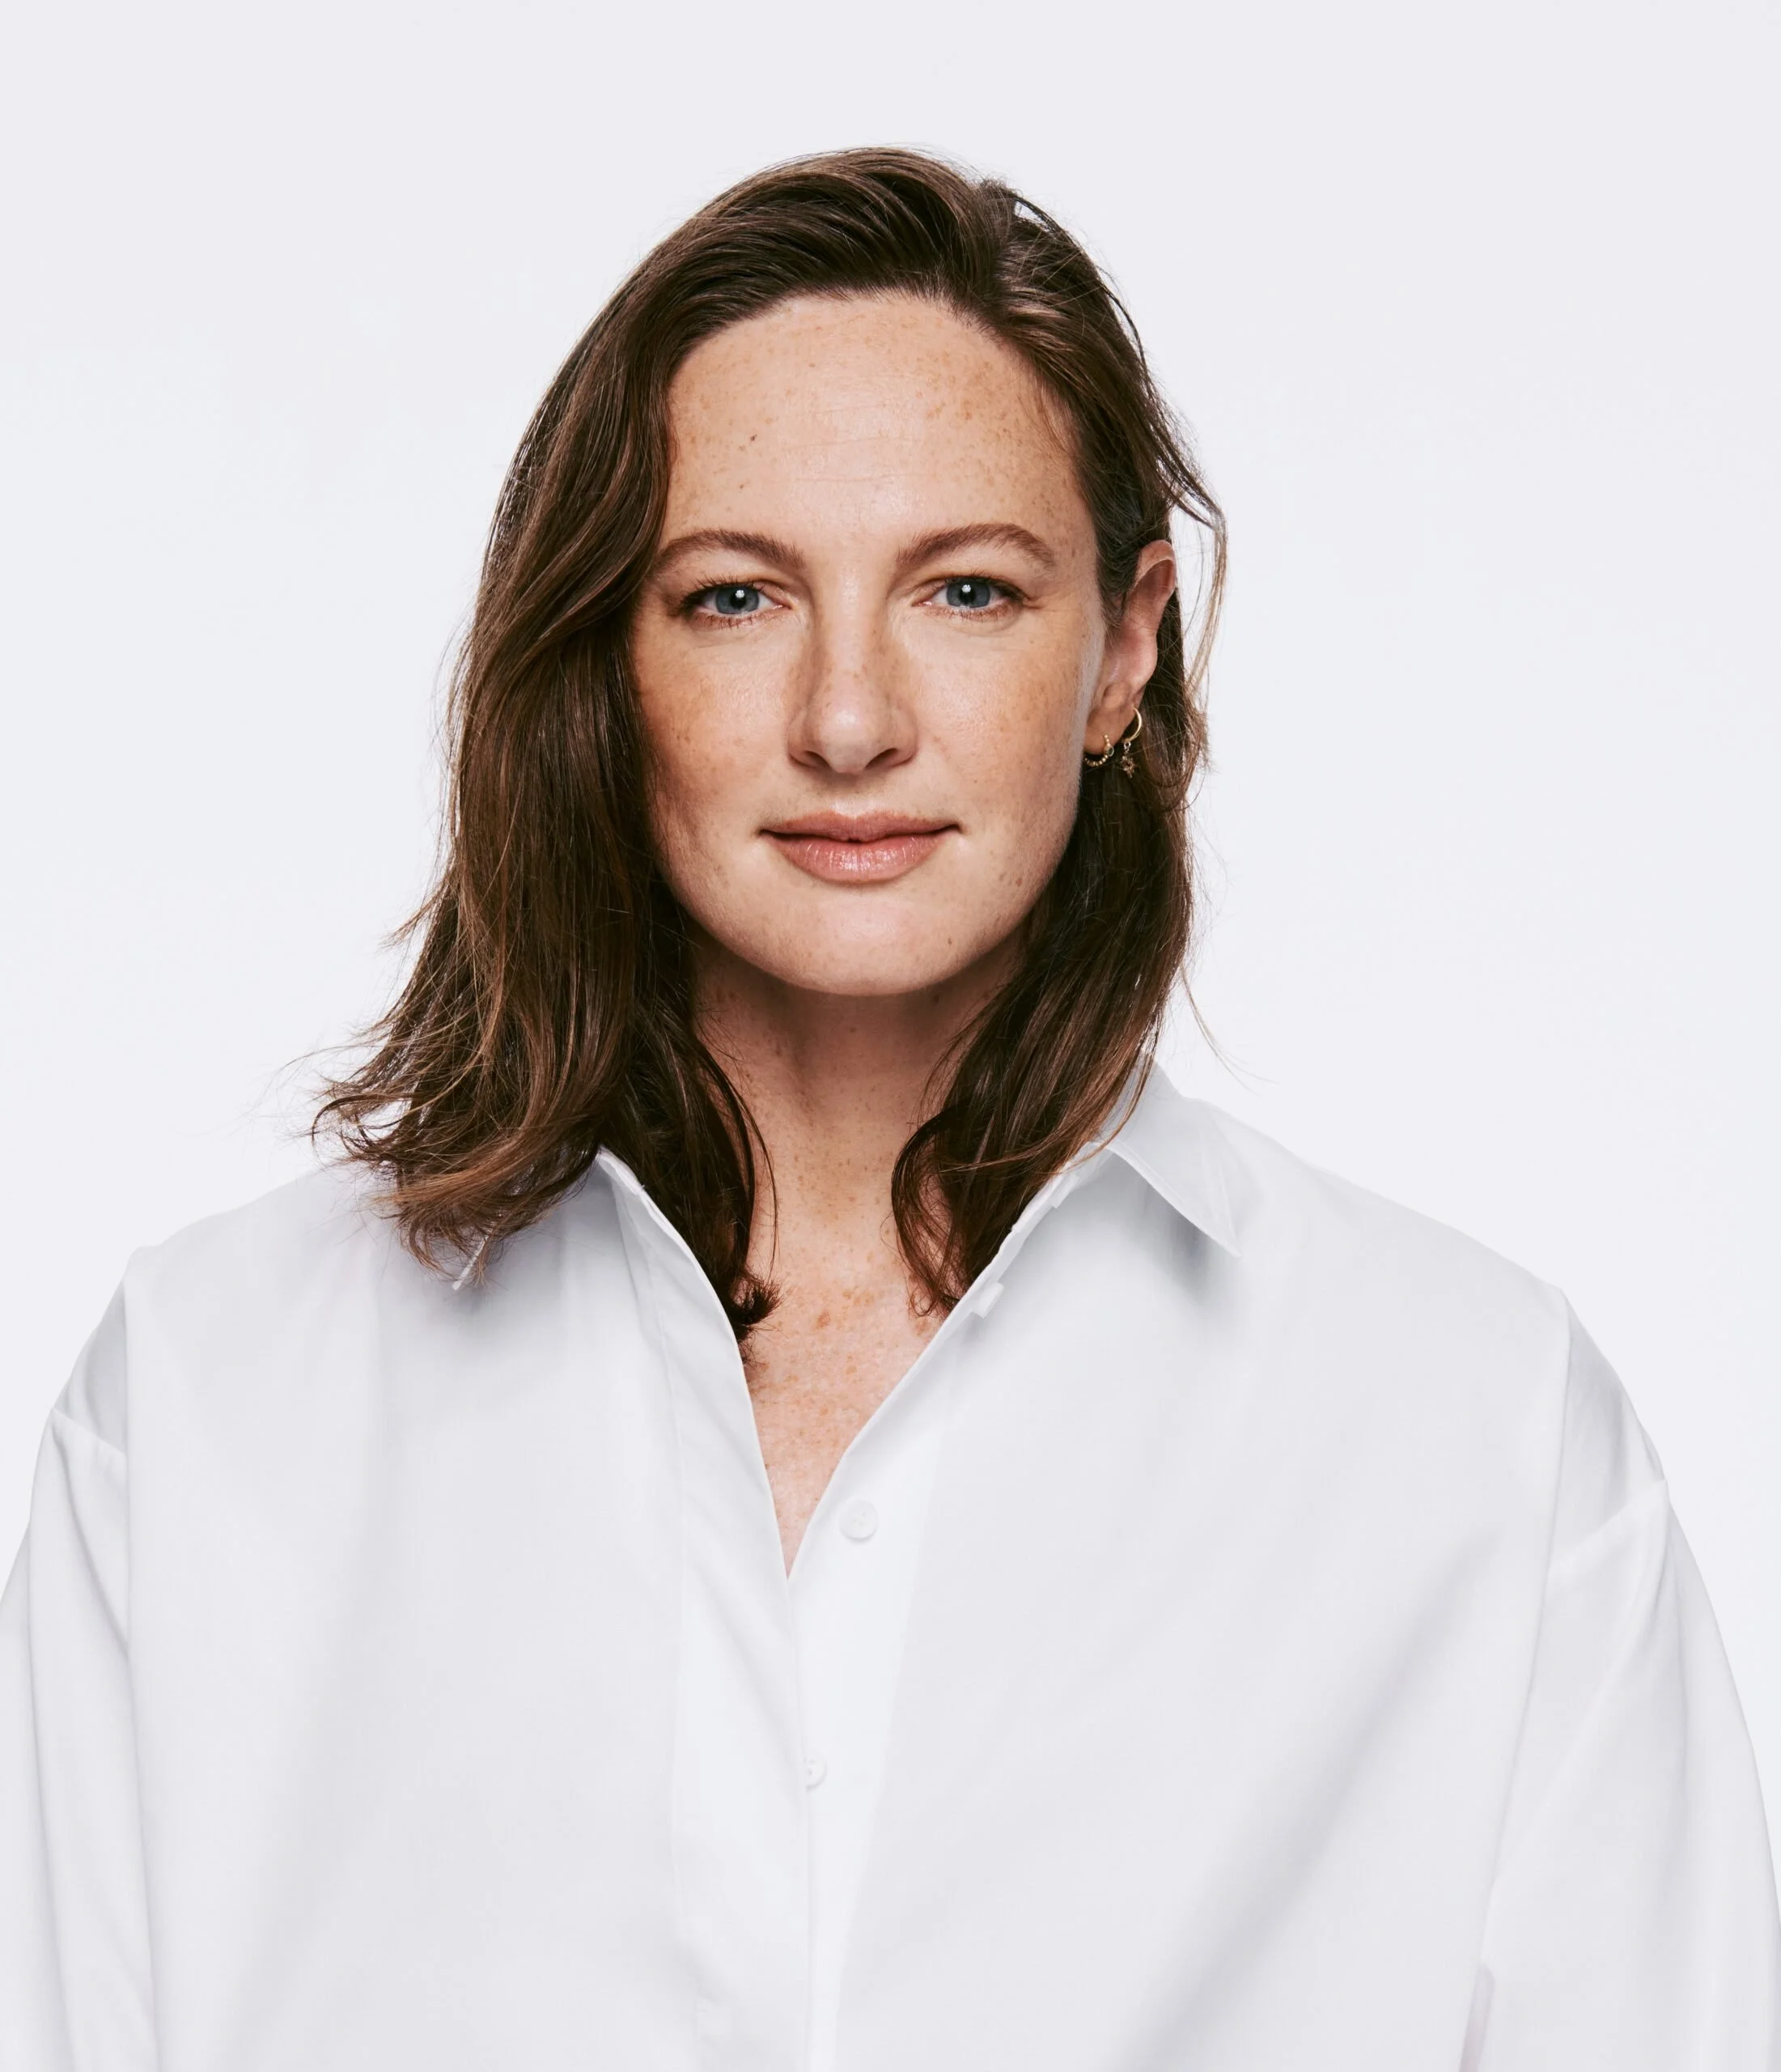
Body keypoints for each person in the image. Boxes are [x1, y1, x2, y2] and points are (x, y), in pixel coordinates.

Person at [2, 147, 1776, 2072]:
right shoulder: (208, 1404)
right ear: (607, 651)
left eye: (964, 588)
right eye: (737, 594)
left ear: (1120, 645)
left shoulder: (1472, 1436)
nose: (849, 718)